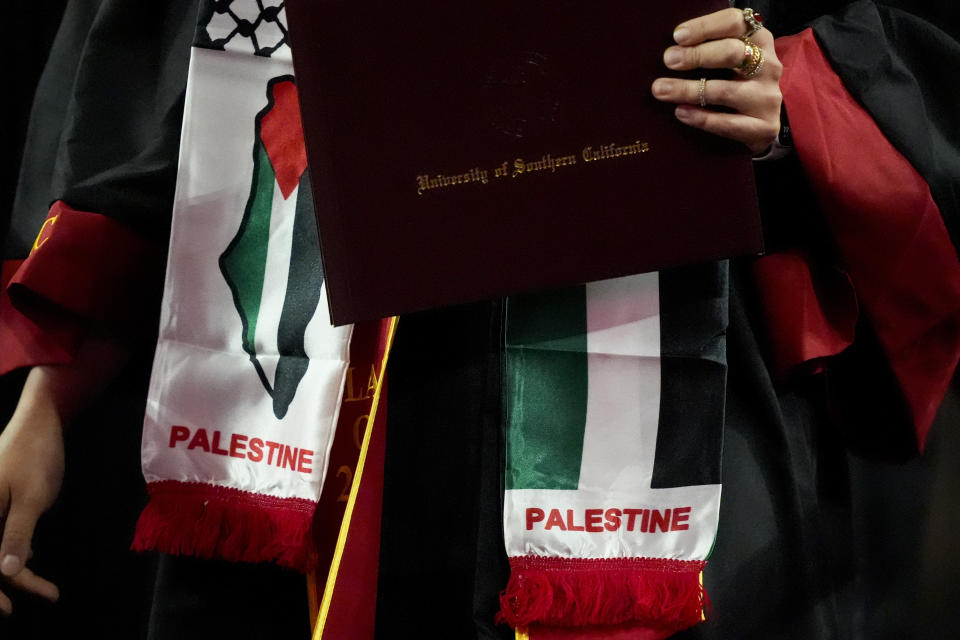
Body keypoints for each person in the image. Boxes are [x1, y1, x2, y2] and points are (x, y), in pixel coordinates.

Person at [2, 1, 958, 638]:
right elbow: (173, 90)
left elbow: (916, 40)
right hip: (322, 413)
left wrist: (795, 93)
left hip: (680, 403)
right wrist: (45, 402)